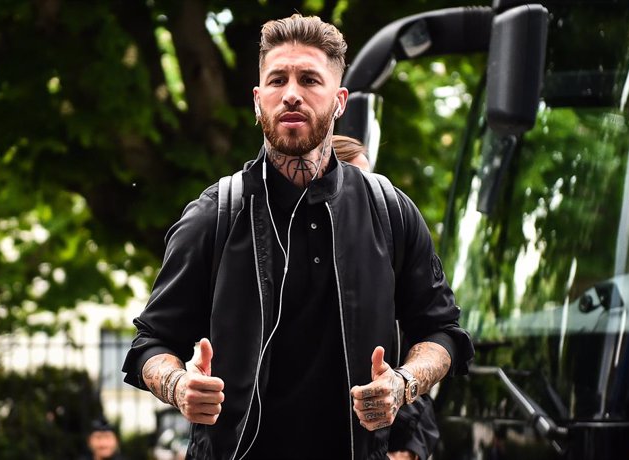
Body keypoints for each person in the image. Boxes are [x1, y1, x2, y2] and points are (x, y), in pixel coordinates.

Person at [122, 13, 474, 460]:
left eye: (310, 79)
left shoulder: (390, 210)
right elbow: (150, 342)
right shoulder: (214, 214)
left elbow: (442, 331)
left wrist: (403, 384)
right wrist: (178, 385)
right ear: (257, 100)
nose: (290, 93)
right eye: (276, 80)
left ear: (340, 100)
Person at [332, 133, 440, 460]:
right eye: (357, 184)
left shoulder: (389, 271)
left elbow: (425, 352)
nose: (369, 197)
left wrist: (408, 450)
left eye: (372, 183)